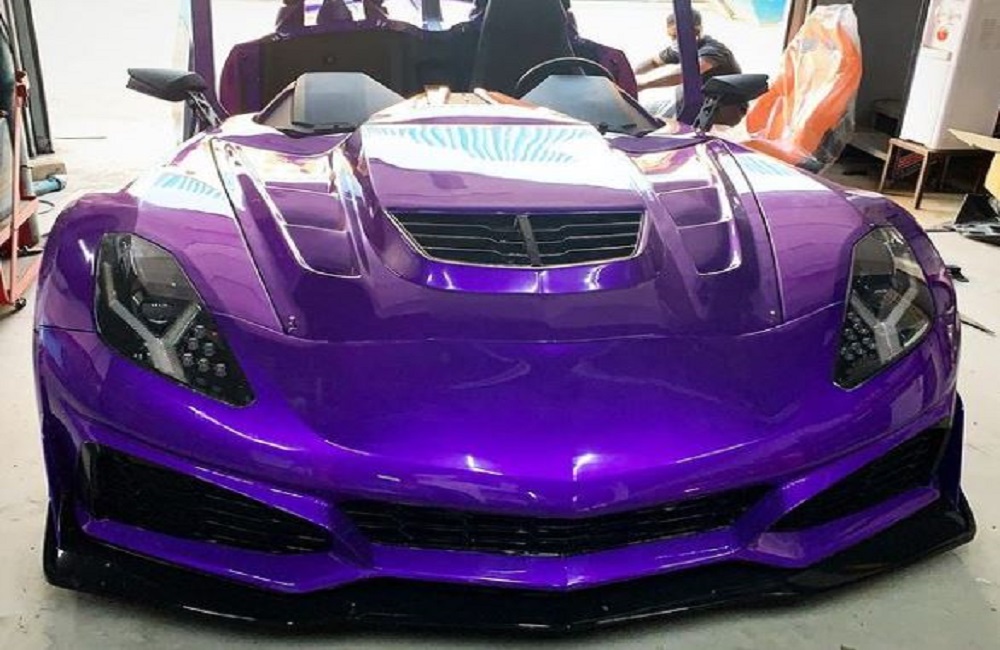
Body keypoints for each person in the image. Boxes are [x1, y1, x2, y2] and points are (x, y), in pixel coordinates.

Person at [635, 9, 745, 123]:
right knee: (638, 113)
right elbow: (653, 62)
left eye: (678, 35)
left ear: (698, 31)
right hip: (689, 103)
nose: (675, 40)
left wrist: (645, 85)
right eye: (672, 36)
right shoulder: (682, 47)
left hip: (717, 110)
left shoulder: (713, 51)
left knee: (648, 123)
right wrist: (631, 74)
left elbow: (685, 74)